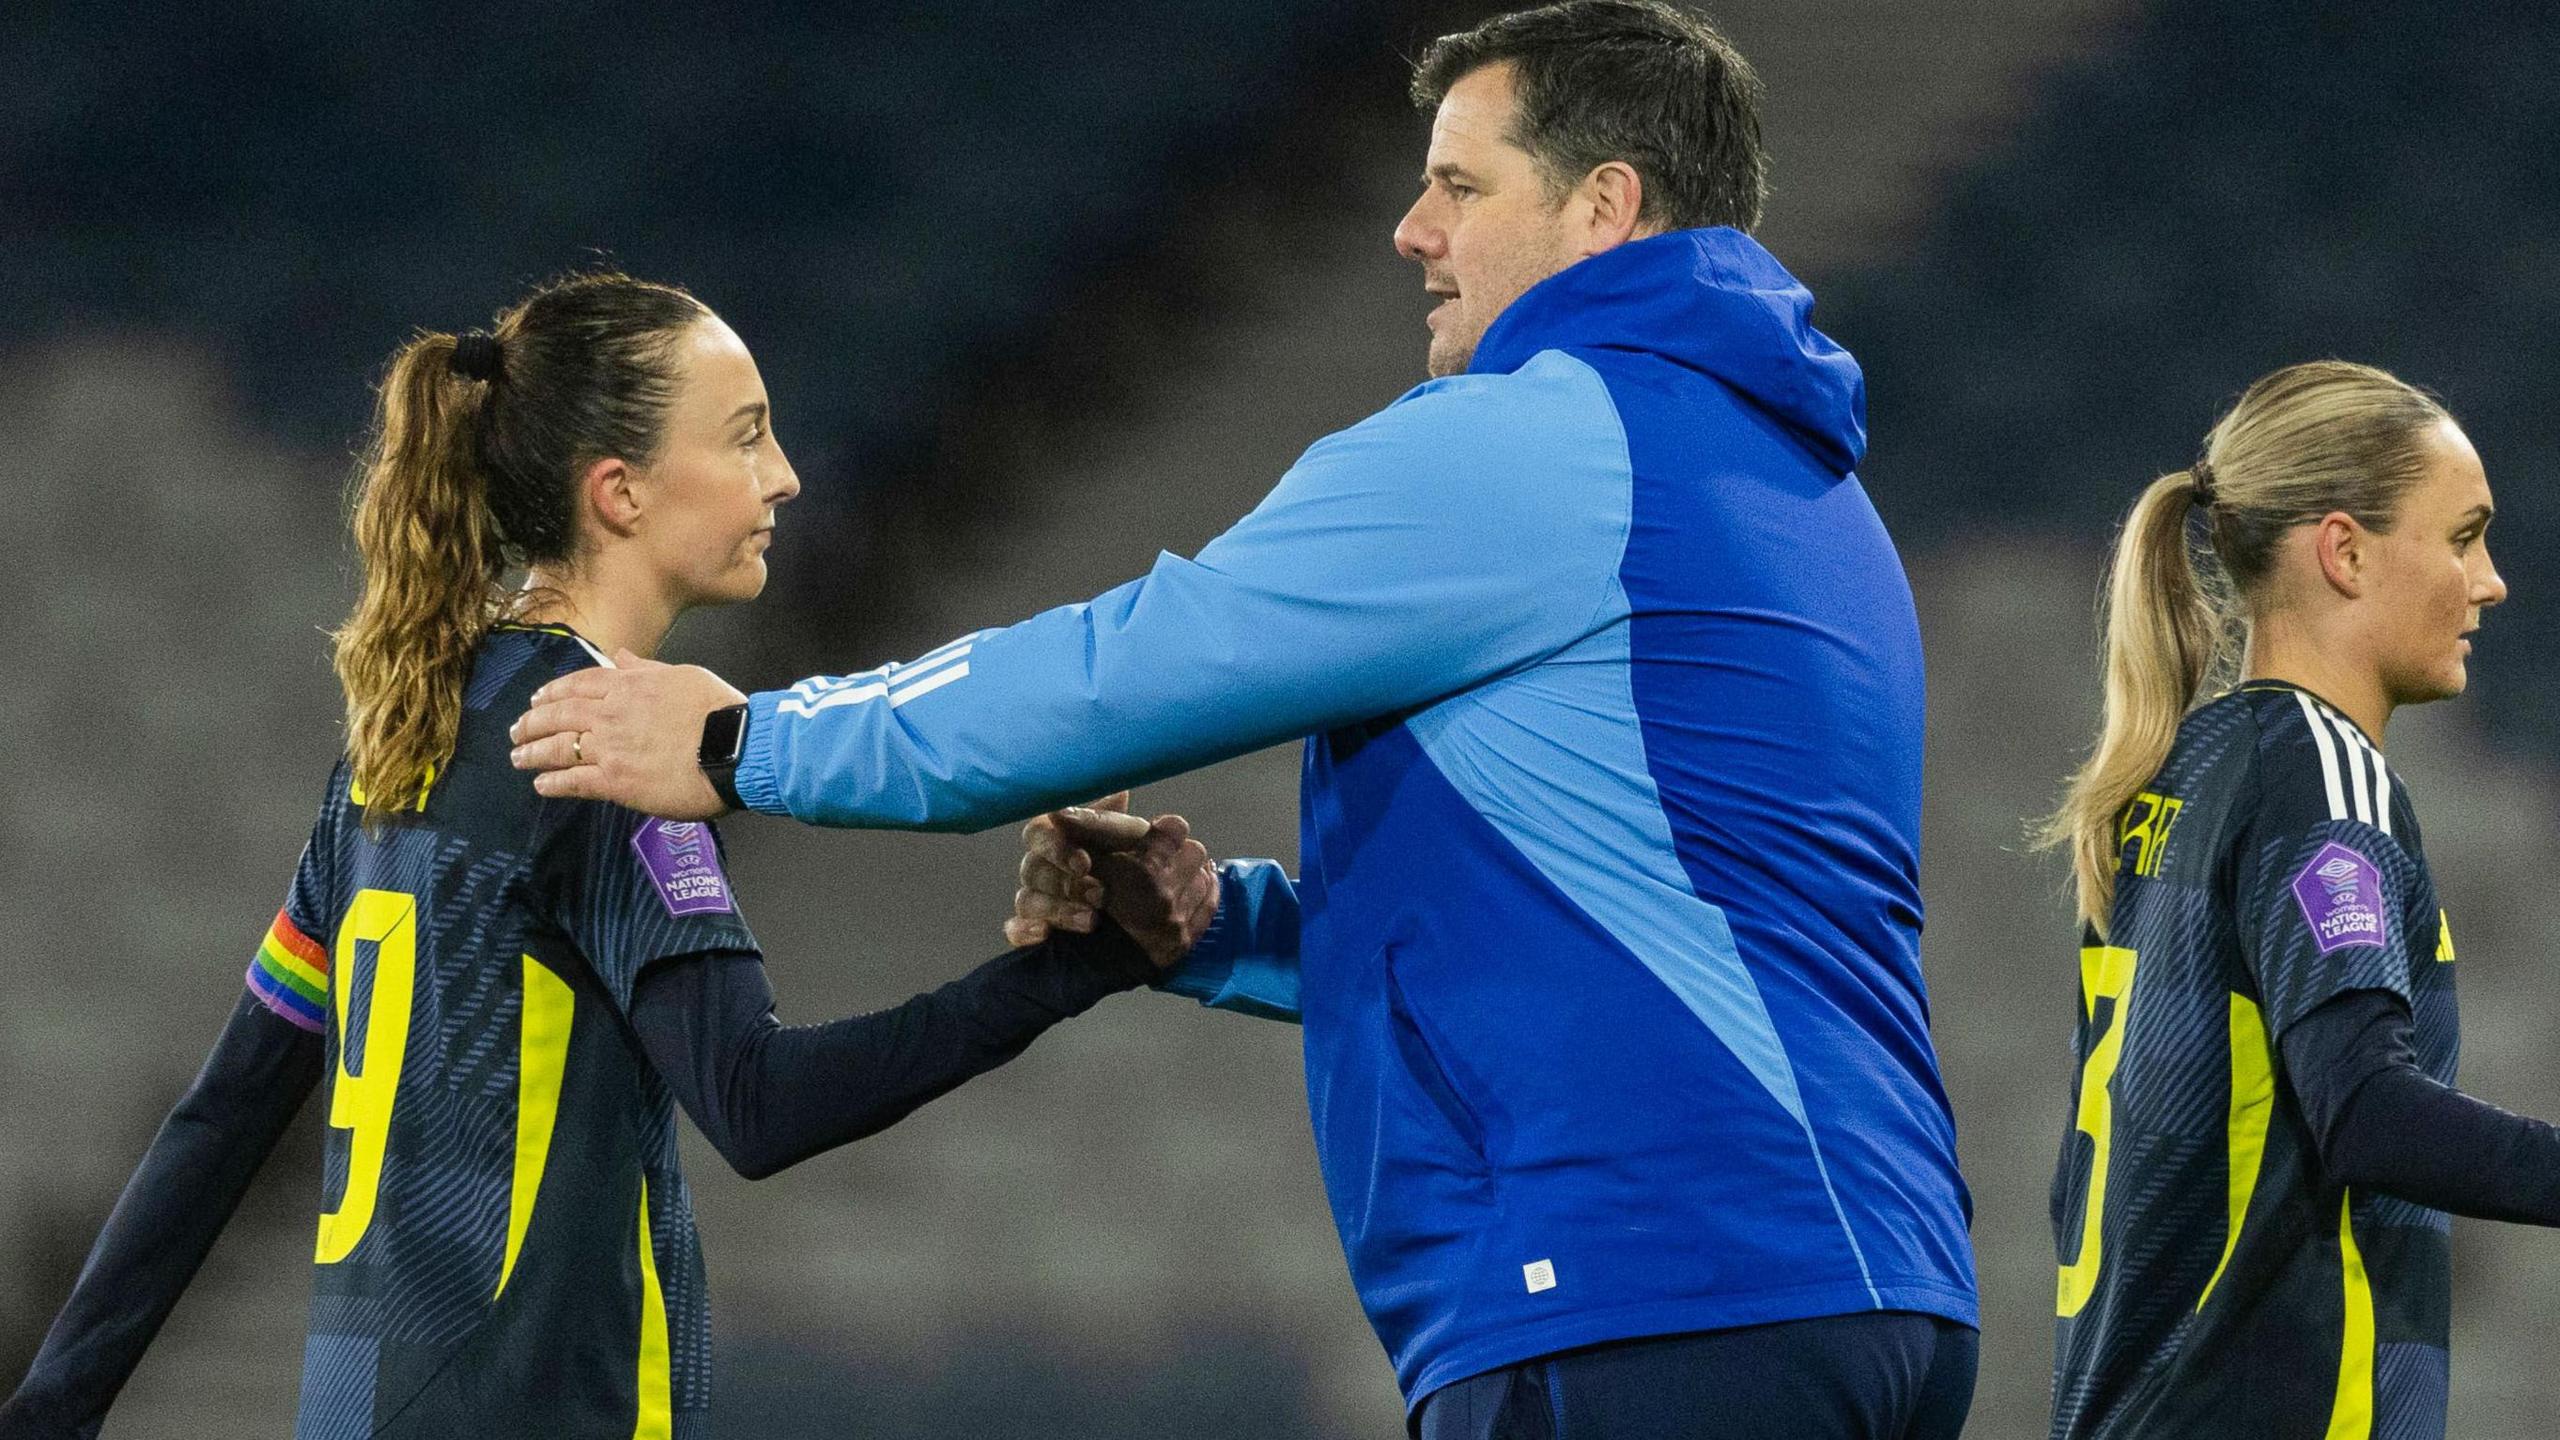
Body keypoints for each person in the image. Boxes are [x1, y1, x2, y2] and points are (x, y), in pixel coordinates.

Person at [508, 3, 1979, 1434]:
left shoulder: (1532, 444)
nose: (1412, 230)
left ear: (1605, 204)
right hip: (1876, 1276)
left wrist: (743, 741)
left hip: (1639, 1287)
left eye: (1461, 186)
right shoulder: (1815, 494)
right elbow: (1640, 901)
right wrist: (1217, 928)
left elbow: (1118, 673)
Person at [0, 273, 1183, 1440]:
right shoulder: (601, 751)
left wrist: (54, 1406)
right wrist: (1069, 971)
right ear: (618, 493)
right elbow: (759, 1106)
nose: (785, 476)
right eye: (745, 438)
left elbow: (224, 1113)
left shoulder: (405, 731)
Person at [2036, 360, 2545, 1439]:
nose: (2491, 580)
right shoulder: (2317, 774)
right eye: (2461, 536)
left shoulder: (2170, 775)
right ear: (2345, 551)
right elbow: (2365, 1112)